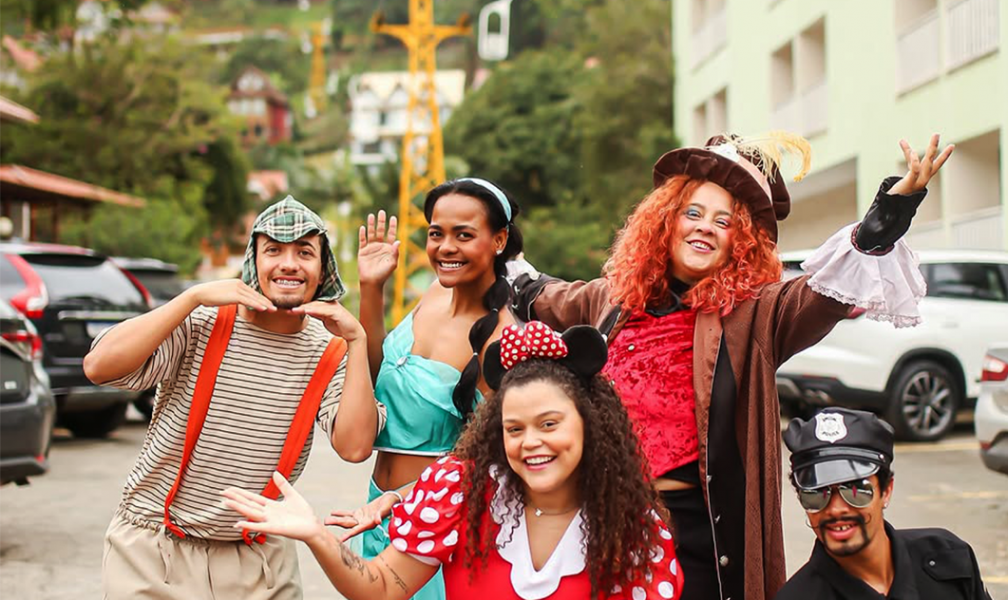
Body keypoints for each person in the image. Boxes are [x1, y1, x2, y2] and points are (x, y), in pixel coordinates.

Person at [512, 132, 953, 599]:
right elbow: (540, 293)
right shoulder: (611, 301)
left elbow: (819, 294)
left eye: (724, 222)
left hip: (695, 534)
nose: (705, 227)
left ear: (739, 241)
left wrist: (888, 215)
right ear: (666, 221)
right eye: (694, 213)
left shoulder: (755, 315)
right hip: (601, 519)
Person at [223, 321, 683, 600]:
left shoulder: (632, 523)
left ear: (588, 425)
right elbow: (381, 586)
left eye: (550, 424)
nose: (531, 443)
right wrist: (318, 537)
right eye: (514, 428)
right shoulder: (461, 491)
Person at [84, 196, 384, 599]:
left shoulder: (328, 350)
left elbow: (354, 447)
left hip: (260, 559)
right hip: (155, 548)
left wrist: (357, 339)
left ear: (322, 270)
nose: (289, 263)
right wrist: (191, 298)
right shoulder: (203, 322)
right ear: (252, 262)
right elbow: (99, 367)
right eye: (273, 250)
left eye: (305, 252)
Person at [332, 178, 522, 599]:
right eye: (437, 233)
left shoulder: (500, 337)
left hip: (437, 523)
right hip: (378, 506)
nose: (445, 247)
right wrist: (371, 288)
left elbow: (491, 460)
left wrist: (402, 500)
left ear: (499, 239)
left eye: (464, 235)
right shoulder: (436, 291)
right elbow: (375, 376)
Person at [778, 408, 992, 599]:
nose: (835, 509)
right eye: (816, 494)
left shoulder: (948, 559)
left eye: (856, 490)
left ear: (886, 490)